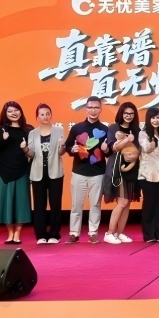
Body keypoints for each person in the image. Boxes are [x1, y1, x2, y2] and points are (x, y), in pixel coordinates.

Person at [65, 96, 110, 243]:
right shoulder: (77, 128)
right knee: (76, 205)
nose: (93, 110)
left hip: (98, 173)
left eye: (96, 107)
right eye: (90, 107)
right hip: (79, 172)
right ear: (86, 109)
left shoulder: (105, 129)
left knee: (95, 204)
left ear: (100, 109)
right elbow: (68, 146)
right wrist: (72, 149)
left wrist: (106, 149)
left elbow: (109, 152)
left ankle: (93, 232)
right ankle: (74, 232)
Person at [0, 101, 34, 245]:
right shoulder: (1, 129)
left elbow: (33, 152)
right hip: (3, 170)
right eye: (10, 111)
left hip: (22, 170)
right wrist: (3, 140)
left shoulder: (28, 130)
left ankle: (17, 234)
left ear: (21, 112)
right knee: (6, 203)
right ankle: (10, 233)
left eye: (16, 110)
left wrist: (25, 148)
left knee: (21, 203)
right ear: (5, 114)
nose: (13, 113)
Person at [102, 102, 141, 244]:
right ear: (121, 114)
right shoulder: (114, 128)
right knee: (122, 201)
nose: (128, 116)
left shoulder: (137, 130)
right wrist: (127, 140)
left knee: (127, 202)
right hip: (118, 168)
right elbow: (114, 148)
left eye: (131, 113)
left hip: (133, 169)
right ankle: (109, 233)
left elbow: (140, 149)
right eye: (126, 113)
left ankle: (120, 233)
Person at [27, 104, 64, 244]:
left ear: (51, 115)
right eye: (42, 114)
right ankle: (41, 235)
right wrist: (24, 149)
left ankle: (54, 234)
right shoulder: (32, 133)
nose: (45, 117)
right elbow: (31, 154)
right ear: (37, 117)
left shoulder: (59, 130)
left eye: (48, 113)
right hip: (38, 172)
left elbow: (61, 152)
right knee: (39, 205)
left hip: (55, 171)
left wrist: (63, 145)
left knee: (55, 204)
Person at [138, 107, 159, 243]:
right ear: (148, 119)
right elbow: (146, 148)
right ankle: (149, 234)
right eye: (153, 118)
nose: (156, 120)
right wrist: (151, 143)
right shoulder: (143, 134)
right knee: (149, 204)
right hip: (147, 174)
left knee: (158, 204)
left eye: (158, 117)